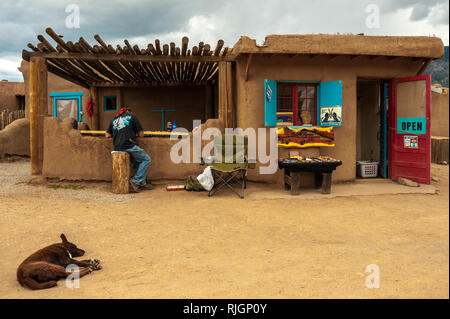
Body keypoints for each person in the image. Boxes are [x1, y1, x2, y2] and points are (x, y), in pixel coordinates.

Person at [106, 107, 152, 192]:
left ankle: (141, 183)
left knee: (136, 161)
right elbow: (141, 134)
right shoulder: (132, 117)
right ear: (130, 112)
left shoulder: (114, 119)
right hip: (129, 145)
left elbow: (107, 135)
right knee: (146, 159)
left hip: (117, 147)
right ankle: (136, 181)